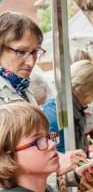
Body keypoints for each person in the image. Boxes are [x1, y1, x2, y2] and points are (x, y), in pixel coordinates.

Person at [0, 11, 86, 172]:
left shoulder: (26, 91)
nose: (31, 61)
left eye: (34, 52)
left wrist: (68, 171)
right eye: (21, 51)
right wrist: (57, 168)